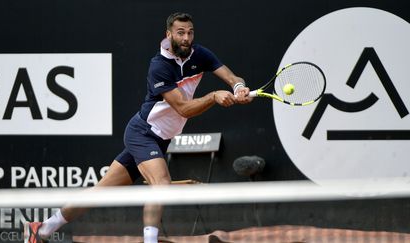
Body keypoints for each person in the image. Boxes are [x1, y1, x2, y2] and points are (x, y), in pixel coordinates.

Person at [24, 12, 252, 243]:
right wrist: (213, 96)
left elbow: (232, 77)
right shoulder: (159, 66)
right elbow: (183, 108)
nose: (186, 38)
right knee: (161, 184)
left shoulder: (200, 54)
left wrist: (239, 88)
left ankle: (41, 229)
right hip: (143, 133)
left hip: (160, 138)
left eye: (190, 32)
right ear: (169, 34)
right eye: (180, 32)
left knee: (99, 192)